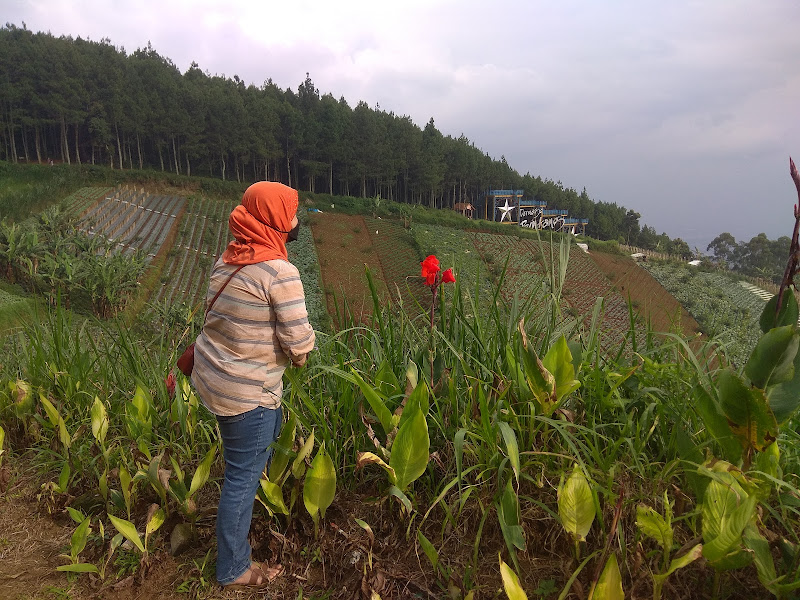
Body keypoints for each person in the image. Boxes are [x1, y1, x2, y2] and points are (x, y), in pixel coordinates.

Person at [191, 181, 315, 590]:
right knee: (241, 480)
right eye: (291, 212)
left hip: (216, 383)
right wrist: (302, 350)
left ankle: (245, 516)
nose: (297, 219)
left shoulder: (228, 259)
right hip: (248, 394)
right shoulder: (280, 273)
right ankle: (233, 567)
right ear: (276, 220)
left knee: (246, 464)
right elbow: (300, 344)